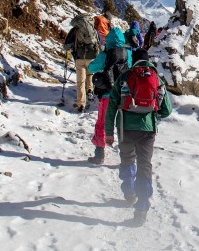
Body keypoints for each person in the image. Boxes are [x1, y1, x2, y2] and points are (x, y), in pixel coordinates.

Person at [105, 48, 172, 225]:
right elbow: (167, 110)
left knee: (127, 159)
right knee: (144, 166)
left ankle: (129, 192)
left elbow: (111, 105)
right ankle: (142, 209)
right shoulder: (156, 78)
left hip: (125, 127)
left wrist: (109, 132)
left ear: (133, 61)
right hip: (147, 130)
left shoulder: (125, 77)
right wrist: (154, 117)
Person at [87, 27, 132, 164]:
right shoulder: (128, 54)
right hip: (124, 95)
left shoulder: (105, 54)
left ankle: (99, 154)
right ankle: (127, 158)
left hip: (107, 94)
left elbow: (91, 68)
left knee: (102, 123)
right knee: (125, 125)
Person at [63, 13, 100, 112]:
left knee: (80, 81)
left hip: (79, 57)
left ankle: (81, 104)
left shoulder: (75, 29)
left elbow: (66, 45)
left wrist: (70, 50)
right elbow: (100, 42)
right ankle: (90, 90)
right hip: (92, 56)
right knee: (90, 74)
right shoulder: (93, 29)